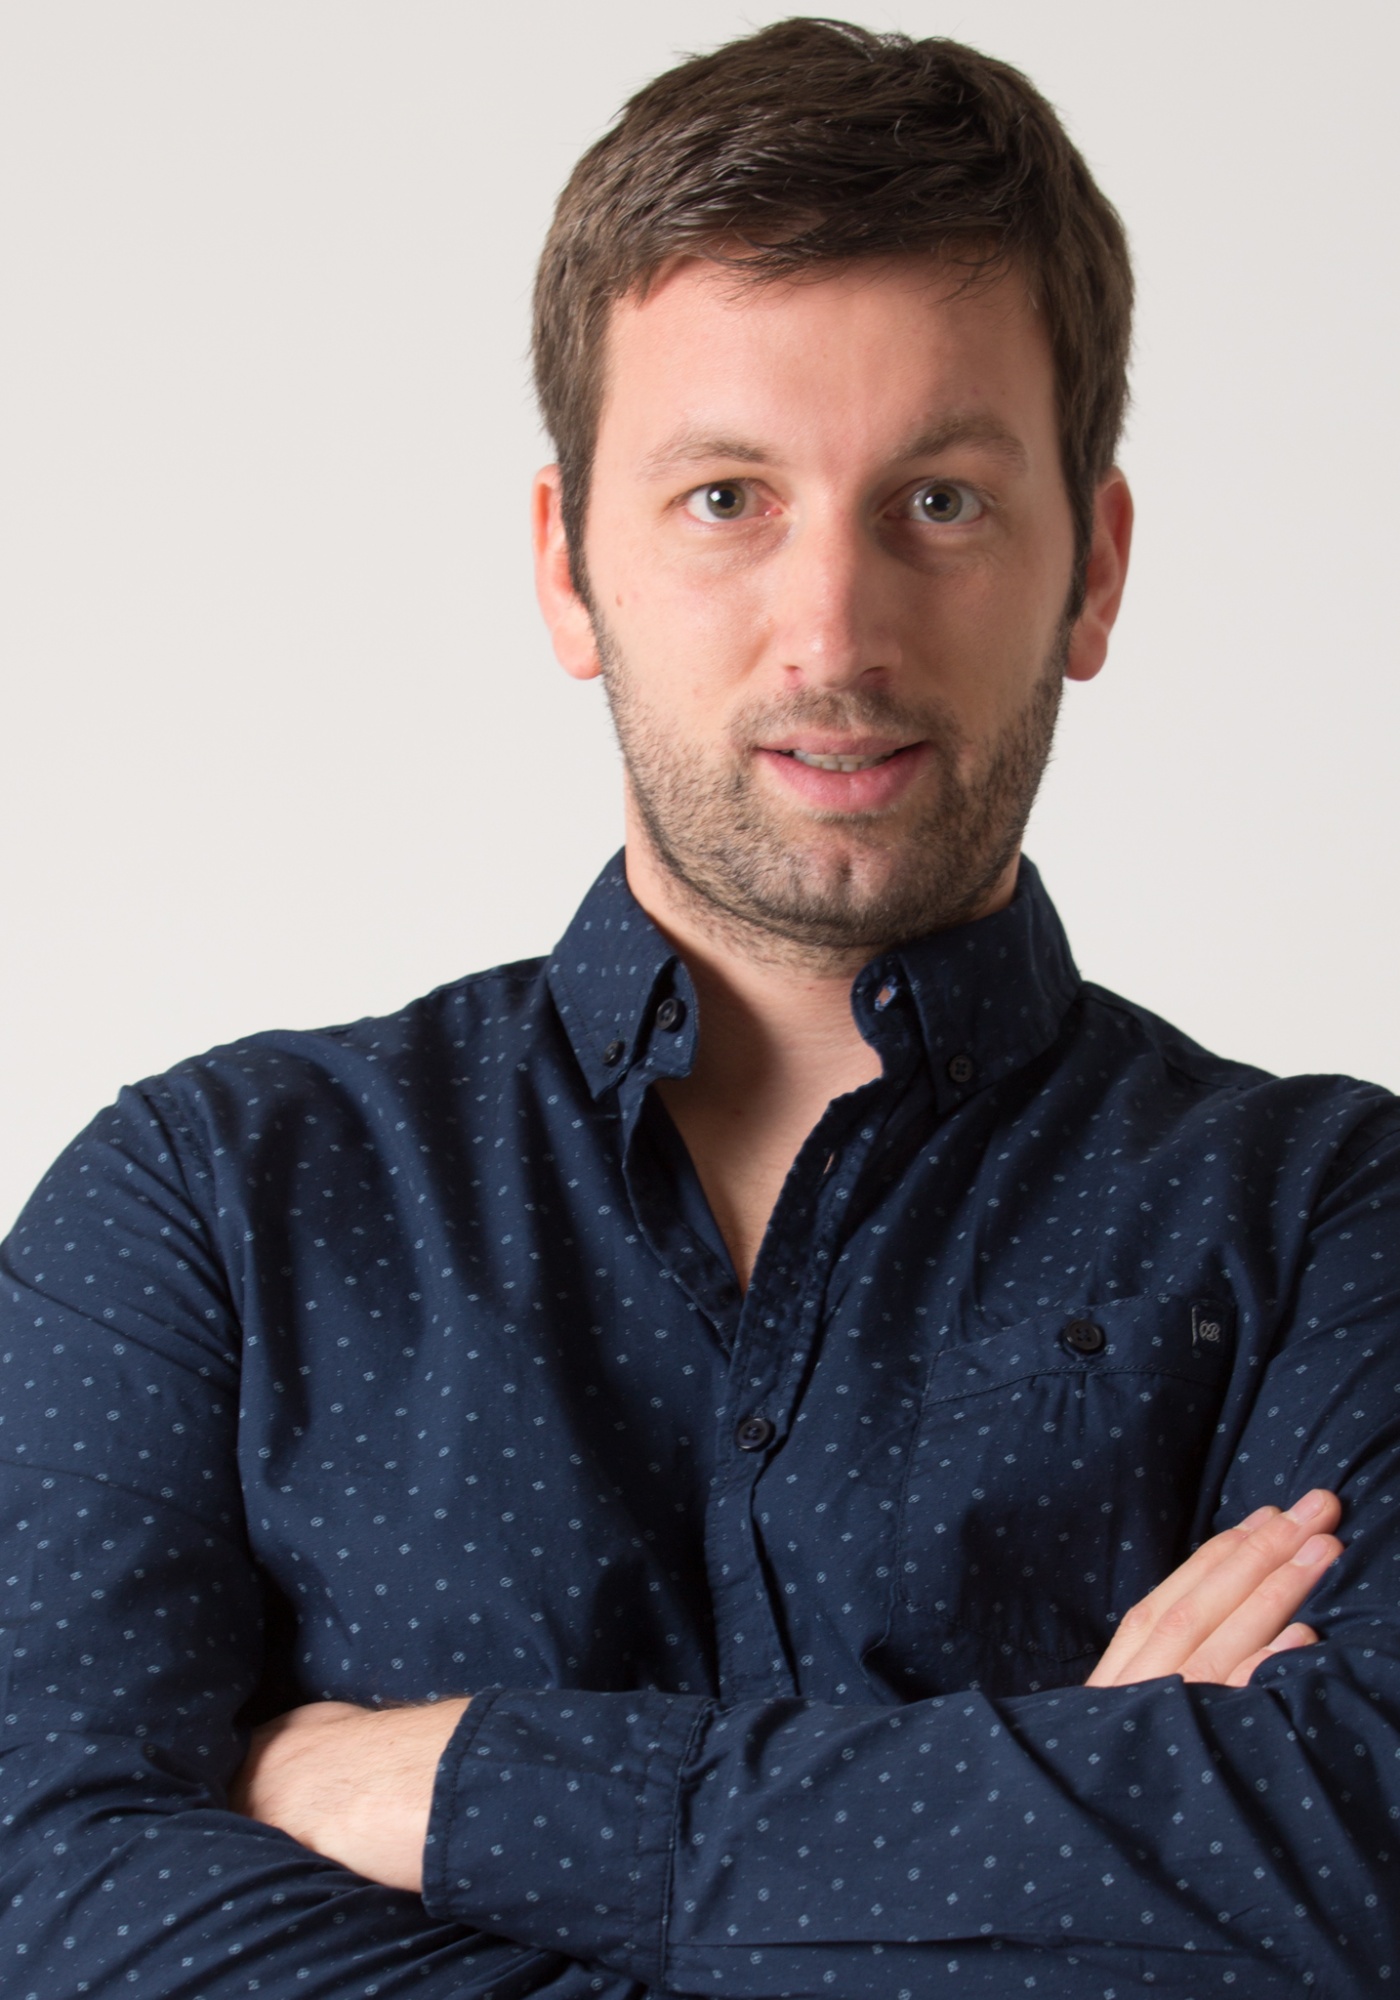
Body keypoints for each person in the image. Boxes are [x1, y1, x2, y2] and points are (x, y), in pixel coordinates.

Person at [2, 16, 1397, 1995]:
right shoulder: (207, 1210)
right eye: (728, 497)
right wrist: (1067, 1839)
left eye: (939, 501)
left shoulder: (1337, 1224)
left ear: (1090, 568)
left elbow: (1365, 1850)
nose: (832, 632)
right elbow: (47, 1897)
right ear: (568, 565)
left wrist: (457, 1791)